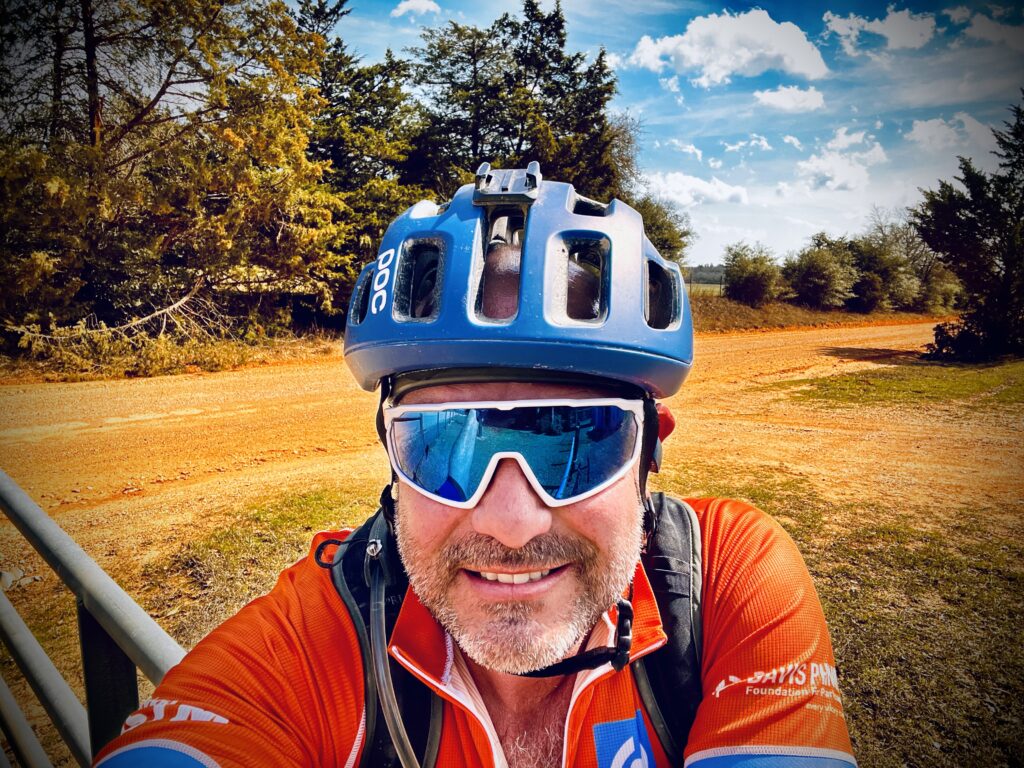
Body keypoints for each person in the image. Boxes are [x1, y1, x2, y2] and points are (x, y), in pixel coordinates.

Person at [94, 164, 857, 768]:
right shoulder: (323, 629)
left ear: (650, 451)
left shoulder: (724, 580)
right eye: (445, 447)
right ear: (390, 455)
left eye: (577, 440)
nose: (512, 523)